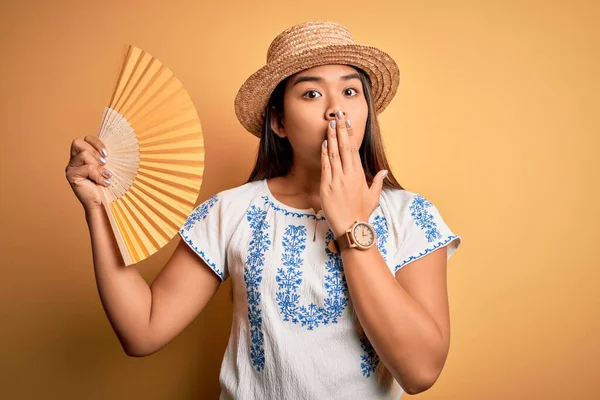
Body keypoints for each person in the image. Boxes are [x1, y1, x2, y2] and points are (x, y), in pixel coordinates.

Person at [65, 20, 462, 400]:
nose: (335, 110)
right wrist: (98, 209)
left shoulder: (411, 216)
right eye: (311, 94)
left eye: (350, 92)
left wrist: (352, 224)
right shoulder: (230, 211)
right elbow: (142, 330)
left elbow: (420, 371)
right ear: (278, 121)